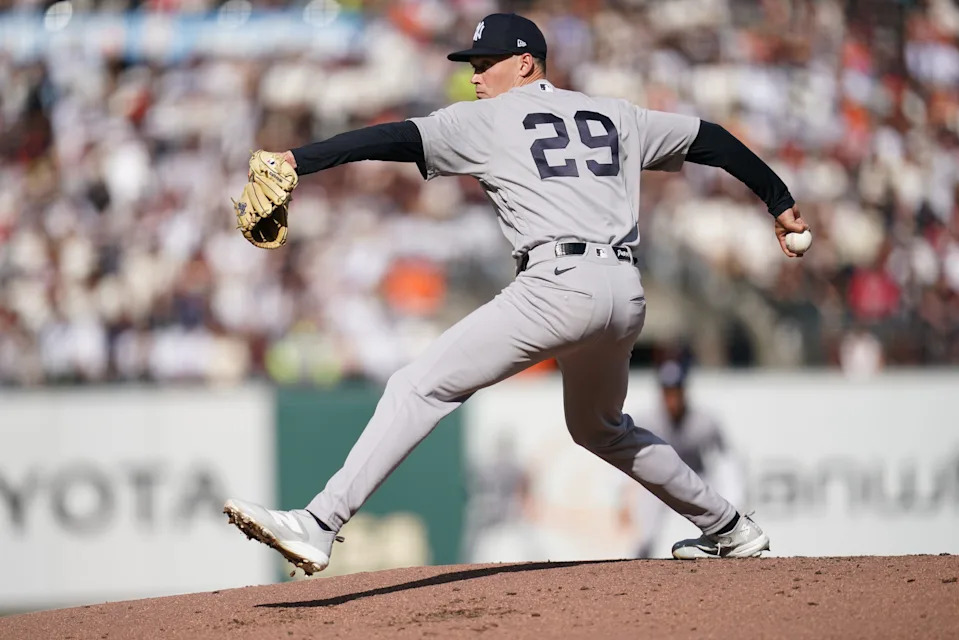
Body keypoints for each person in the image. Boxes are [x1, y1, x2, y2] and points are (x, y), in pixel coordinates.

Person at [224, 13, 806, 573]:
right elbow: (711, 139)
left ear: (525, 64)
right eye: (472, 63)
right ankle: (730, 528)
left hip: (556, 286)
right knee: (599, 427)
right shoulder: (614, 113)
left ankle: (319, 523)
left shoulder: (489, 120)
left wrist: (296, 160)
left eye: (486, 62)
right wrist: (780, 202)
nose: (475, 75)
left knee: (418, 385)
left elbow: (392, 138)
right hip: (625, 293)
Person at [625, 358, 747, 557]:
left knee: (723, 522)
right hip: (659, 483)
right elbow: (628, 460)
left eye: (676, 390)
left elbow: (728, 459)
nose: (672, 397)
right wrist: (622, 498)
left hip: (695, 477)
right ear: (661, 393)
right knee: (643, 537)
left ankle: (730, 550)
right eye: (668, 391)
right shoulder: (647, 420)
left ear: (684, 391)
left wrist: (735, 498)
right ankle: (635, 573)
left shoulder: (704, 421)